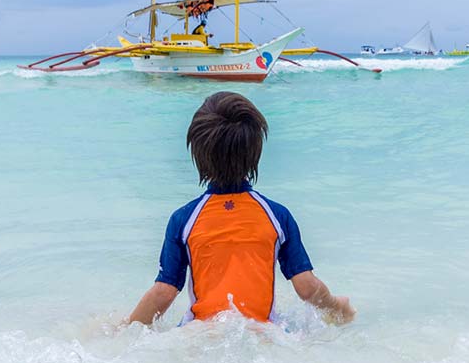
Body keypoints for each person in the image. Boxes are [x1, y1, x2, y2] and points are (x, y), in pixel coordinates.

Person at [127, 91, 356, 326]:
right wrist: (338, 307)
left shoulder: (184, 219)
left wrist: (123, 329)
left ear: (198, 152)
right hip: (262, 332)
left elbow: (164, 292)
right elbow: (306, 287)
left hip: (200, 332)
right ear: (255, 151)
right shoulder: (277, 216)